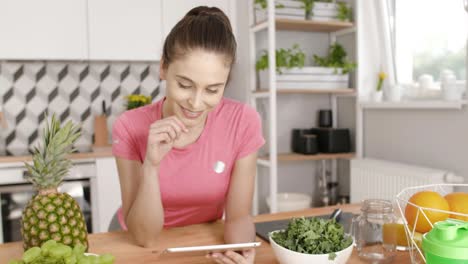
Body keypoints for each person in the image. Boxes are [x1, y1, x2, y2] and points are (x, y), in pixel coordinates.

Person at [111, 6, 265, 264]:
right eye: (184, 85)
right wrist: (151, 166)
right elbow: (144, 237)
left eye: (212, 90)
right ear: (163, 68)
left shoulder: (243, 122)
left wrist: (240, 250)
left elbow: (238, 216)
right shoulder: (129, 126)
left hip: (204, 239)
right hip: (138, 243)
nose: (195, 103)